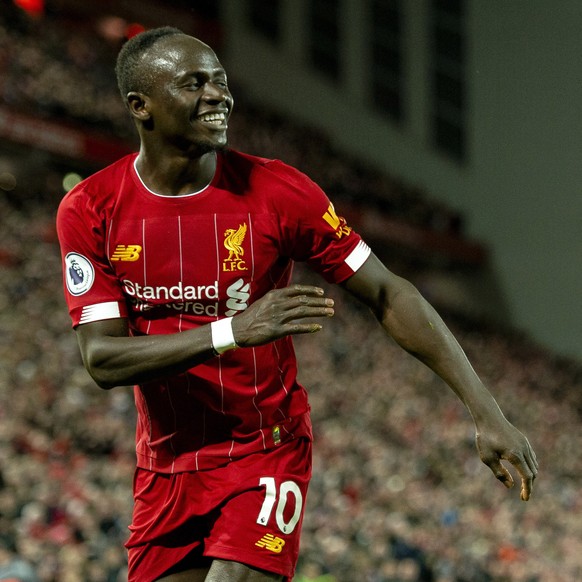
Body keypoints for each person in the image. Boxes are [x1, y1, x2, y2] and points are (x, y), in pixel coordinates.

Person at [56, 26, 538, 582]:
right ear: (140, 106)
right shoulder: (91, 208)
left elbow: (387, 290)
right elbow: (103, 360)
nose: (219, 95)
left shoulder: (278, 192)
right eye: (195, 83)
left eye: (221, 81)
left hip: (265, 448)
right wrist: (232, 331)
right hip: (165, 467)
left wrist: (487, 411)